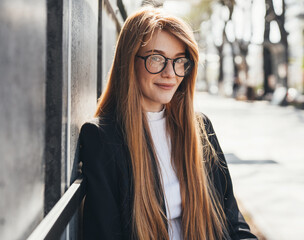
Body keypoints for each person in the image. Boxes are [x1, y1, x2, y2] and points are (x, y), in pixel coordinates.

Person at [79, 7, 257, 240]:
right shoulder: (101, 137)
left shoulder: (200, 128)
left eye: (179, 61)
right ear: (129, 60)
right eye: (156, 58)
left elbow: (232, 220)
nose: (170, 73)